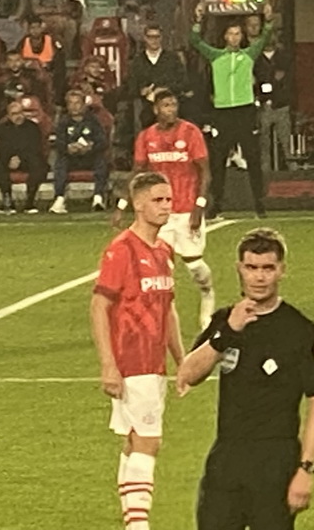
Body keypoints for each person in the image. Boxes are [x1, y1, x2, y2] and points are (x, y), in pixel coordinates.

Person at [176, 228, 314, 530]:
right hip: (227, 457)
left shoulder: (301, 331)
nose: (259, 277)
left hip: (277, 460)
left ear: (281, 270)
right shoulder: (225, 322)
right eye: (252, 268)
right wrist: (227, 334)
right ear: (239, 269)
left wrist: (306, 469)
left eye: (267, 268)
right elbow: (187, 375)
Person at [90, 172, 184, 530]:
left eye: (169, 200)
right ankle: (138, 526)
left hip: (154, 363)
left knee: (134, 442)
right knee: (149, 440)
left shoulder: (163, 250)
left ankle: (132, 521)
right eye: (158, 200)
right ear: (139, 203)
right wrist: (108, 365)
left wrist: (182, 358)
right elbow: (100, 306)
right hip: (131, 361)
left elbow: (168, 308)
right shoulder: (122, 250)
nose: (166, 207)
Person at [130, 89, 216, 329]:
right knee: (159, 267)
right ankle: (163, 319)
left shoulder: (190, 133)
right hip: (160, 213)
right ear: (156, 109)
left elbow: (205, 172)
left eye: (173, 105)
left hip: (187, 209)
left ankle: (208, 295)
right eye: (165, 106)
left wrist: (199, 206)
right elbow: (137, 173)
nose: (171, 110)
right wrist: (125, 204)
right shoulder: (146, 137)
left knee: (195, 266)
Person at [190, 3, 273, 218]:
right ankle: (216, 205)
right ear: (225, 37)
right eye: (231, 34)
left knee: (253, 159)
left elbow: (265, 37)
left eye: (238, 34)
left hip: (245, 111)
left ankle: (259, 205)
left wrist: (269, 19)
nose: (235, 38)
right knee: (218, 161)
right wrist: (198, 21)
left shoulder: (249, 54)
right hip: (223, 113)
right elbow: (195, 42)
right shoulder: (216, 56)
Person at [50, 90, 109, 214]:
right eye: (71, 103)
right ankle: (59, 198)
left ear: (84, 105)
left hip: (90, 157)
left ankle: (98, 198)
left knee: (101, 161)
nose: (74, 106)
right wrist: (68, 148)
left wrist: (90, 147)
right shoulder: (63, 122)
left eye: (77, 103)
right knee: (61, 161)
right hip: (71, 158)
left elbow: (102, 142)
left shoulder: (93, 121)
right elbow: (59, 143)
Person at [128, 23, 189, 130]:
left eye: (157, 37)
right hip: (147, 109)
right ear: (145, 38)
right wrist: (141, 91)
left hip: (171, 109)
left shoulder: (172, 58)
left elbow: (183, 82)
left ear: (161, 38)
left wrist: (165, 89)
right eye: (150, 37)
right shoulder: (137, 61)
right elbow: (130, 86)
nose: (154, 40)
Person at [0, 99, 46, 213]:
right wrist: (10, 159)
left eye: (20, 113)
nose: (18, 116)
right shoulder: (3, 128)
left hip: (28, 160)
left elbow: (35, 148)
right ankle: (7, 200)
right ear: (8, 116)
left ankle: (30, 202)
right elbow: (1, 148)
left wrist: (20, 159)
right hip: (9, 161)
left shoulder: (33, 128)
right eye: (14, 114)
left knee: (38, 164)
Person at [254, 31, 293, 172]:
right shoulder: (255, 60)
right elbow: (254, 81)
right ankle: (265, 171)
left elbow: (289, 80)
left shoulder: (284, 58)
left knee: (286, 139)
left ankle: (292, 167)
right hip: (263, 105)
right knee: (263, 141)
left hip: (281, 104)